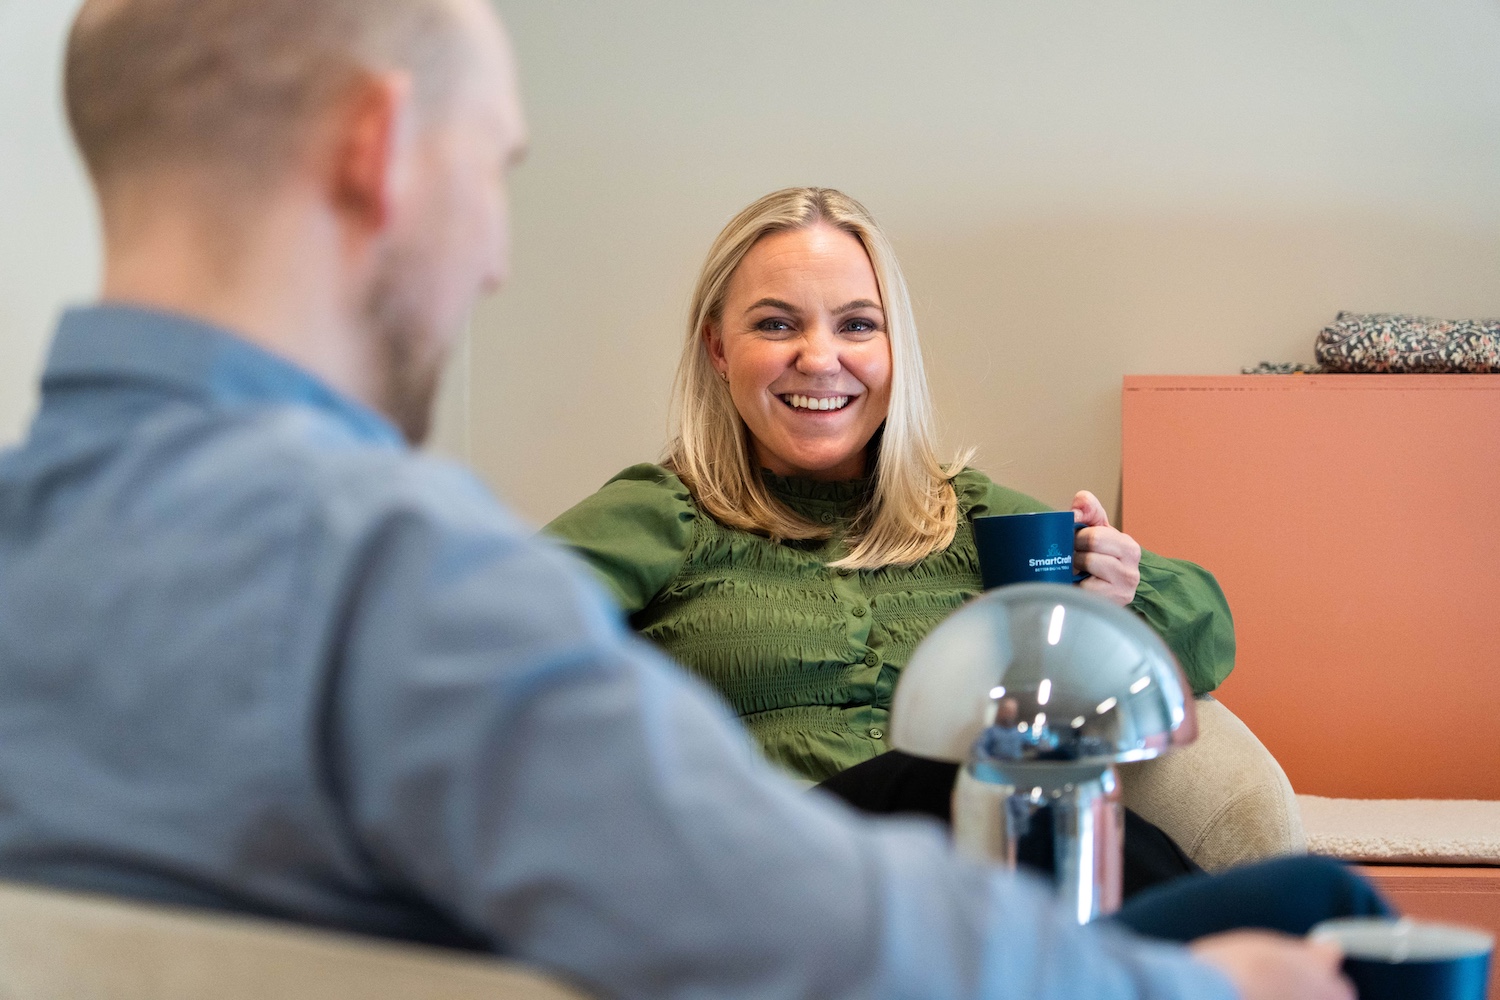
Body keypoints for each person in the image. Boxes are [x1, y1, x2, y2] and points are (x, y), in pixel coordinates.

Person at [0, 1, 1375, 998]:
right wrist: (1191, 989)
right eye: (496, 171)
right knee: (1329, 927)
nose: (492, 261)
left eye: (855, 324)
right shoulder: (397, 580)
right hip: (826, 927)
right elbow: (771, 915)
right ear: (383, 146)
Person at [545, 187, 1227, 892]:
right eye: (776, 324)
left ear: (894, 347)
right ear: (719, 349)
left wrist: (1120, 589)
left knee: (1288, 895)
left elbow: (1210, 635)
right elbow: (492, 630)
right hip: (766, 879)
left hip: (968, 897)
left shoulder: (970, 515)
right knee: (964, 777)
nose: (819, 358)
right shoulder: (666, 513)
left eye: (857, 325)